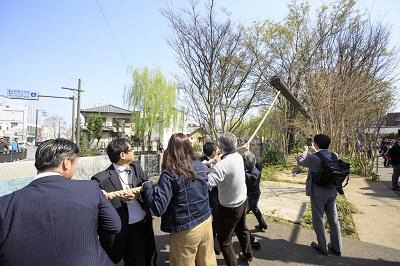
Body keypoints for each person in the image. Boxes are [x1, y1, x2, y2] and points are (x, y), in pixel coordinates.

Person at [0, 138, 121, 266]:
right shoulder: (90, 189)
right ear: (66, 163)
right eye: (76, 163)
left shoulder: (5, 204)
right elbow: (114, 225)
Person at [141, 133, 216, 266]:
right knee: (207, 261)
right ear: (189, 147)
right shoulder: (200, 166)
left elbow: (158, 208)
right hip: (206, 221)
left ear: (170, 149)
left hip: (186, 229)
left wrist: (147, 187)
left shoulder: (170, 173)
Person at [92, 138, 157, 266]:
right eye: (131, 149)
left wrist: (138, 195)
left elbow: (148, 187)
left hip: (141, 225)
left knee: (142, 260)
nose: (134, 152)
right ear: (122, 155)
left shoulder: (136, 168)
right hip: (121, 230)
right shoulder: (101, 179)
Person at [208, 132, 252, 265]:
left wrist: (214, 165)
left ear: (221, 146)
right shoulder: (238, 156)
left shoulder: (222, 165)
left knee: (224, 239)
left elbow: (207, 183)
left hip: (229, 207)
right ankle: (248, 254)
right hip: (242, 201)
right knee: (242, 229)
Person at [297, 134, 342, 256]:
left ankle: (322, 246)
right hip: (332, 191)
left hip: (318, 193)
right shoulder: (334, 155)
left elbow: (300, 162)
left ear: (315, 144)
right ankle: (337, 247)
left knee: (318, 219)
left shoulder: (313, 157)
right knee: (333, 219)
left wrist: (305, 151)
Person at [199, 140, 221, 255]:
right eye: (217, 149)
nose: (218, 151)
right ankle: (202, 242)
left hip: (215, 194)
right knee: (203, 218)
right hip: (203, 194)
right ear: (213, 152)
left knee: (216, 219)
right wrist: (212, 162)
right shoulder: (200, 161)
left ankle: (213, 241)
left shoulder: (220, 159)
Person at [243, 151, 268, 232]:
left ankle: (241, 228)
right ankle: (262, 224)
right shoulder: (258, 167)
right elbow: (253, 161)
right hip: (255, 193)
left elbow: (243, 174)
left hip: (251, 195)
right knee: (255, 208)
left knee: (245, 211)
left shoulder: (251, 176)